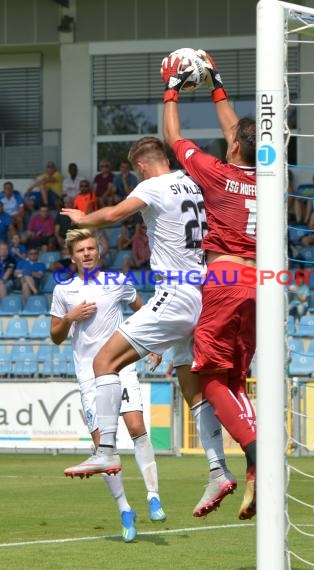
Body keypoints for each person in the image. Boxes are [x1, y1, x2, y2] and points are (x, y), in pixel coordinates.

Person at [61, 136, 235, 519]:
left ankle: (104, 449)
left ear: (141, 167)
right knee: (193, 387)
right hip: (203, 293)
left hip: (174, 294)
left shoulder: (151, 185)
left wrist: (82, 217)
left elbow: (112, 216)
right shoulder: (191, 181)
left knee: (104, 362)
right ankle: (218, 468)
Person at [161, 49, 257, 520]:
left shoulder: (216, 174)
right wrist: (216, 81)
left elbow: (172, 137)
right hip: (261, 283)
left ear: (234, 147)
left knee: (208, 376)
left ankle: (255, 458)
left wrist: (172, 89)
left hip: (222, 278)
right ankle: (258, 458)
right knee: (237, 379)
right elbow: (237, 131)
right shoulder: (271, 178)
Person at [50, 228, 166, 542]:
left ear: (98, 251)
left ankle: (153, 495)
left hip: (121, 365)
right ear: (72, 257)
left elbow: (141, 311)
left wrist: (154, 345)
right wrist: (70, 317)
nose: (86, 253)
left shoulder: (118, 281)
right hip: (89, 376)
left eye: (91, 248)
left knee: (136, 426)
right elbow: (55, 336)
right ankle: (125, 509)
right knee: (105, 446)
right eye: (80, 250)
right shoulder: (64, 290)